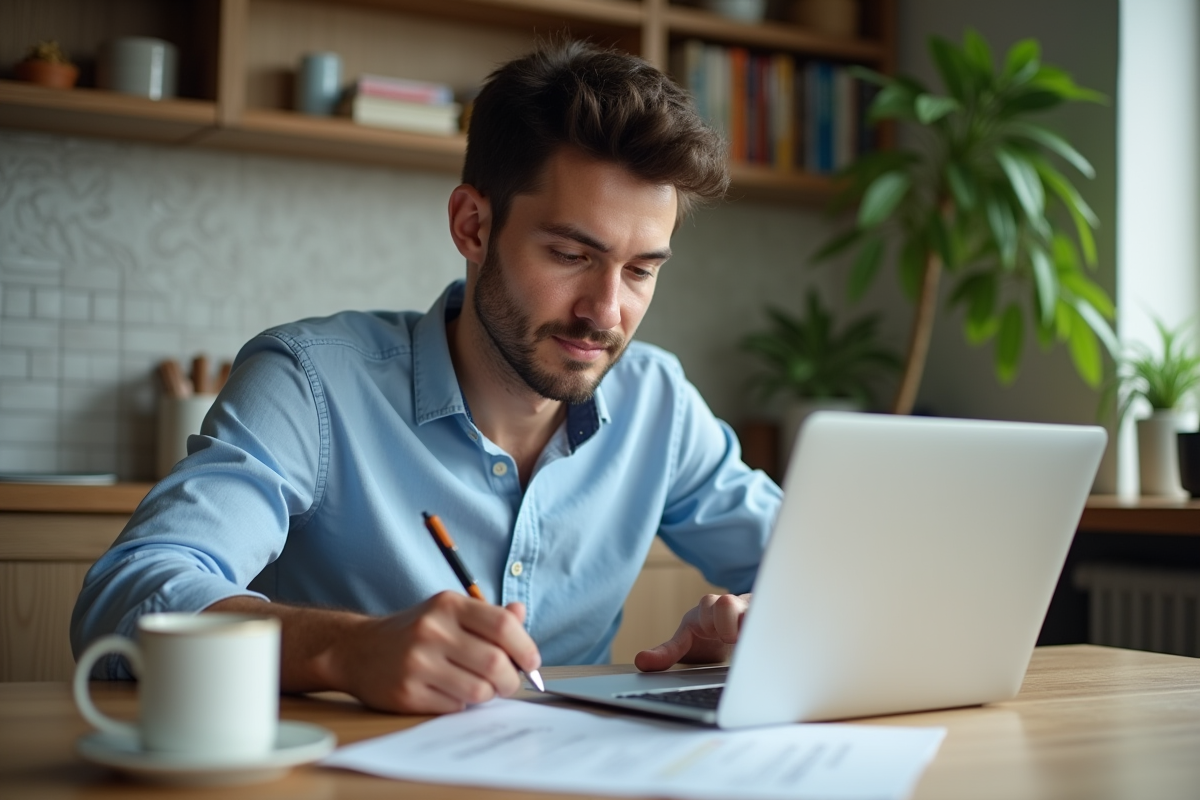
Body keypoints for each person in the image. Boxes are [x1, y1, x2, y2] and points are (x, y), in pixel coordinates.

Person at [71, 40, 782, 715]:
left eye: (640, 271)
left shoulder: (658, 403)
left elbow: (828, 567)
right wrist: (345, 649)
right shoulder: (311, 382)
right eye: (570, 254)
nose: (606, 310)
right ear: (472, 226)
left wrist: (761, 621)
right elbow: (128, 594)